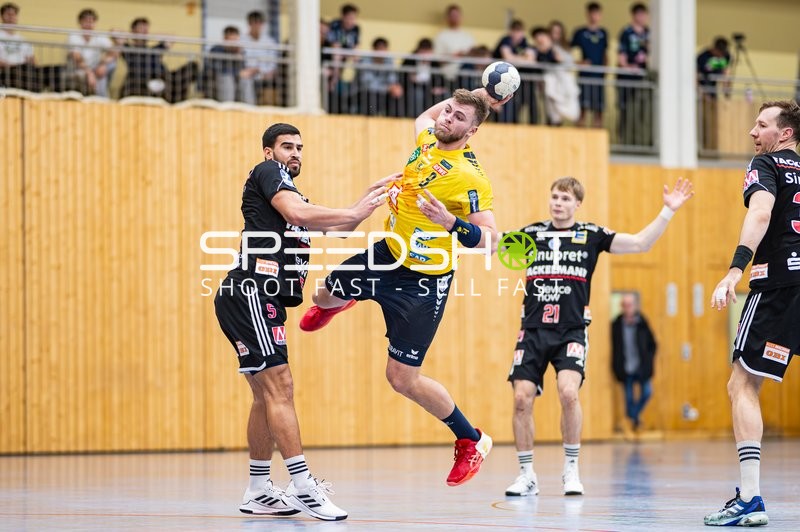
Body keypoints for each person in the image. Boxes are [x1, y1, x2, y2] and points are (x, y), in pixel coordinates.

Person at [299, 88, 510, 487]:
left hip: (425, 281)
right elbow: (423, 118)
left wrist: (451, 223)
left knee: (401, 378)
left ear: (473, 131)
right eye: (447, 111)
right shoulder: (428, 137)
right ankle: (341, 302)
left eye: (459, 118)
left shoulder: (471, 177)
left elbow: (491, 239)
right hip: (389, 253)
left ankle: (472, 439)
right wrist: (478, 93)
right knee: (320, 294)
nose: (448, 119)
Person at [214, 122, 398, 521]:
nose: (295, 153)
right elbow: (298, 213)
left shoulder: (292, 191)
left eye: (299, 147)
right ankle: (302, 486)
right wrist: (351, 210)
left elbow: (341, 228)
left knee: (266, 394)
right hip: (251, 289)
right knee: (281, 386)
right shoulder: (269, 174)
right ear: (269, 152)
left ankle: (259, 488)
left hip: (260, 298)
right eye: (286, 147)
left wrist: (368, 200)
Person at [503, 175, 693, 497]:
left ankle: (571, 469)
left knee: (568, 393)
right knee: (521, 398)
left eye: (565, 199)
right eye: (554, 197)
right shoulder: (531, 235)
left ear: (577, 204)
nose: (558, 203)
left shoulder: (590, 235)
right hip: (533, 330)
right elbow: (489, 242)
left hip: (571, 331)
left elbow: (640, 243)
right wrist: (452, 222)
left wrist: (667, 211)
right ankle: (526, 475)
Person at [704, 100, 800, 527]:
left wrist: (734, 271)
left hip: (778, 283)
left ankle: (751, 498)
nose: (752, 132)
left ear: (784, 134)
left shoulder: (767, 165)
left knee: (741, 383)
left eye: (761, 125)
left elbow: (760, 212)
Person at [120, 17, 198, 102]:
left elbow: (171, 39)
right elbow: (114, 33)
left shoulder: (154, 50)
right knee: (154, 86)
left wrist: (152, 35)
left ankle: (174, 98)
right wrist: (134, 35)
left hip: (164, 78)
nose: (144, 30)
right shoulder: (128, 49)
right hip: (143, 82)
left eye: (146, 28)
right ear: (133, 30)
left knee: (193, 66)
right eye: (141, 28)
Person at [611, 292, 657, 430]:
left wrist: (648, 360)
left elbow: (653, 344)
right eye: (624, 305)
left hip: (641, 366)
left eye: (629, 305)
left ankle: (632, 417)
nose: (627, 308)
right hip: (626, 367)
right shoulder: (616, 324)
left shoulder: (643, 322)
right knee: (629, 398)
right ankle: (634, 421)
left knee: (647, 392)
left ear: (635, 306)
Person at [616, 3, 651, 147]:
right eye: (640, 14)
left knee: (643, 111)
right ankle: (624, 141)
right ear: (634, 15)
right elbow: (621, 56)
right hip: (628, 79)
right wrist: (628, 66)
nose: (642, 17)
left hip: (644, 79)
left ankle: (642, 142)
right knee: (625, 111)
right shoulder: (626, 32)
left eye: (644, 14)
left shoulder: (649, 33)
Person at [570, 2, 608, 128]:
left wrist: (605, 71)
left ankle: (597, 139)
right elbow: (571, 53)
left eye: (596, 13)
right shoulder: (580, 33)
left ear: (600, 15)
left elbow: (605, 54)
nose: (594, 16)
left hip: (599, 78)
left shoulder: (603, 33)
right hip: (584, 77)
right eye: (591, 13)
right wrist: (579, 63)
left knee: (599, 110)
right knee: (583, 109)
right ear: (587, 14)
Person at [64, 9, 116, 97]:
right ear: (80, 22)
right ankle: (100, 99)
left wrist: (103, 64)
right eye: (86, 21)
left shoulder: (99, 36)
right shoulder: (74, 36)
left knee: (110, 65)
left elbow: (114, 51)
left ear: (95, 23)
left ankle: (102, 102)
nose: (89, 24)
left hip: (95, 70)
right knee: (97, 79)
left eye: (91, 21)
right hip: (78, 68)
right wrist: (89, 73)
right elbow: (77, 58)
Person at [493, 19, 536, 125]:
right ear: (510, 31)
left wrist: (516, 59)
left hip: (515, 81)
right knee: (504, 105)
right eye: (515, 31)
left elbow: (531, 61)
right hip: (500, 80)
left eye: (520, 31)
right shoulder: (505, 41)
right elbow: (508, 58)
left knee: (521, 103)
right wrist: (523, 58)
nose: (517, 34)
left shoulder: (525, 42)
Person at [697, 37, 731, 152]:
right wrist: (702, 93)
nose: (720, 56)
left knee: (713, 120)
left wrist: (726, 91)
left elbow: (726, 74)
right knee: (704, 120)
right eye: (719, 53)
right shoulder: (702, 57)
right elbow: (696, 77)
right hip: (702, 91)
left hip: (713, 91)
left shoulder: (726, 56)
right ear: (714, 49)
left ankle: (713, 145)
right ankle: (703, 146)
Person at [325, 3, 360, 113]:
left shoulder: (356, 29)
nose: (352, 21)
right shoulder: (335, 25)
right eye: (349, 18)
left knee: (357, 58)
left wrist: (354, 57)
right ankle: (334, 80)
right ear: (343, 17)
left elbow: (356, 47)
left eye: (354, 18)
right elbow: (335, 46)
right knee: (337, 55)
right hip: (332, 60)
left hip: (345, 59)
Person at [240, 11, 279, 106]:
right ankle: (249, 108)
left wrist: (259, 70)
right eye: (255, 23)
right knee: (245, 80)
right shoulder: (241, 40)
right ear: (249, 24)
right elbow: (239, 60)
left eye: (260, 23)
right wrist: (248, 71)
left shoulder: (270, 42)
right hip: (247, 75)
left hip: (264, 76)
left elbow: (273, 64)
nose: (257, 26)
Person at [357, 37, 403, 117]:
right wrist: (387, 88)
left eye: (384, 49)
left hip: (383, 93)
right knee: (371, 96)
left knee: (396, 94)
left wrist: (395, 87)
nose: (381, 52)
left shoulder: (389, 61)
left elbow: (392, 79)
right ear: (374, 49)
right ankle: (371, 119)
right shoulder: (365, 61)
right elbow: (367, 83)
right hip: (366, 92)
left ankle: (393, 120)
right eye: (379, 48)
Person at [434, 4, 475, 88]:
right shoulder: (441, 36)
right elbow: (437, 59)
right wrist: (454, 56)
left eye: (457, 15)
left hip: (467, 78)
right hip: (449, 78)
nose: (455, 18)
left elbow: (474, 56)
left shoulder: (468, 36)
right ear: (447, 17)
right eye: (452, 15)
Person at [0, 2, 36, 91]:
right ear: (2, 17)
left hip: (22, 72)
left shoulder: (23, 40)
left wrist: (32, 63)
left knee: (50, 71)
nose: (11, 17)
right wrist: (11, 66)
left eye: (13, 14)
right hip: (6, 72)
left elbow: (32, 60)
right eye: (8, 14)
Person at [205, 26, 244, 102]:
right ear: (225, 39)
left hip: (235, 81)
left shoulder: (239, 52)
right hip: (218, 80)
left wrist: (239, 57)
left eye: (236, 40)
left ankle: (249, 109)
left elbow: (243, 71)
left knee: (246, 80)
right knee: (226, 78)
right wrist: (237, 73)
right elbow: (217, 69)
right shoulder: (216, 49)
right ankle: (227, 107)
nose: (234, 43)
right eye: (232, 40)